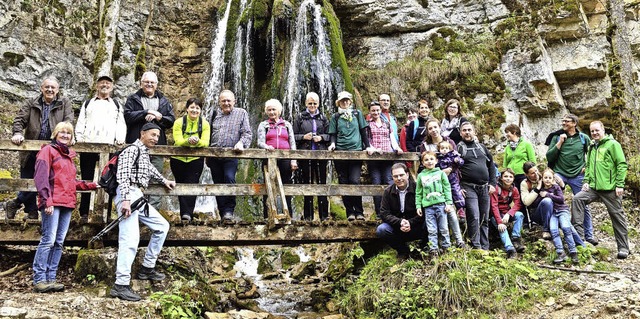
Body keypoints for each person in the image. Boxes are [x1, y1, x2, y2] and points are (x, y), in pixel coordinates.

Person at [110, 122, 176, 302]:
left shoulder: (143, 152)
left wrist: (164, 180)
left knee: (162, 226)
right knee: (129, 239)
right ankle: (121, 284)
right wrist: (125, 199)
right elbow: (122, 175)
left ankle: (147, 268)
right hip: (128, 194)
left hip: (138, 195)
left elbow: (150, 169)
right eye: (152, 135)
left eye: (157, 136)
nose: (155, 139)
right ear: (142, 134)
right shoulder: (131, 149)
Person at [32, 122, 98, 293]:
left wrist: (90, 185)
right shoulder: (47, 151)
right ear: (55, 134)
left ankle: (51, 278)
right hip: (52, 203)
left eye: (68, 133)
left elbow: (70, 182)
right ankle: (39, 279)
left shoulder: (69, 156)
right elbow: (41, 177)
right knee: (48, 240)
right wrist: (46, 200)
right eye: (62, 132)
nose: (65, 135)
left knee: (59, 242)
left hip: (67, 203)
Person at [6, 76, 74, 221]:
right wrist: (17, 133)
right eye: (47, 87)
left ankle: (15, 203)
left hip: (53, 150)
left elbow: (68, 120)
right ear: (41, 88)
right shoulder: (31, 102)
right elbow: (19, 119)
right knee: (28, 179)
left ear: (57, 90)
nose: (49, 90)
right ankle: (32, 212)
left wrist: (68, 135)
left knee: (43, 180)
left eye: (53, 87)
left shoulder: (64, 103)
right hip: (30, 149)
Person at [572, 121, 629, 259]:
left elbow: (621, 165)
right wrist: (586, 181)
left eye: (597, 130)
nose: (594, 133)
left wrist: (619, 184)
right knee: (577, 199)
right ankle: (578, 239)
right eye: (592, 131)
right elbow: (589, 166)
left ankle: (623, 248)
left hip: (610, 189)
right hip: (594, 188)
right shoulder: (592, 146)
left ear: (603, 130)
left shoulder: (613, 144)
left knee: (617, 216)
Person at [75, 74, 127, 223]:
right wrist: (80, 140)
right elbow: (80, 122)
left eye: (108, 83)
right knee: (87, 177)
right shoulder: (88, 103)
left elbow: (121, 123)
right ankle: (84, 213)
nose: (105, 85)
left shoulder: (116, 104)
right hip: (89, 145)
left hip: (109, 146)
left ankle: (107, 213)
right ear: (97, 85)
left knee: (109, 179)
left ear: (112, 86)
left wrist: (120, 139)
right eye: (102, 83)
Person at [123, 71, 175, 209]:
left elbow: (171, 121)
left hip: (157, 147)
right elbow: (127, 116)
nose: (149, 84)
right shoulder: (133, 99)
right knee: (133, 176)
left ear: (157, 85)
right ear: (141, 83)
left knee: (156, 177)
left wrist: (159, 117)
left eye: (152, 82)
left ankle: (153, 211)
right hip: (136, 146)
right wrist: (145, 112)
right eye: (147, 82)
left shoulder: (163, 101)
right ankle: (135, 208)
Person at [545, 113, 596, 245]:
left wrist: (587, 167)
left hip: (578, 175)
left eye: (567, 121)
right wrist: (560, 142)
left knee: (582, 204)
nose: (564, 123)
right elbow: (549, 157)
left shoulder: (583, 138)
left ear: (574, 123)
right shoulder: (556, 137)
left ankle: (589, 235)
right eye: (563, 121)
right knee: (550, 199)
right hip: (559, 173)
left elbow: (591, 154)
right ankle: (550, 229)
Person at [328, 91, 374, 221]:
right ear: (338, 102)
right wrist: (332, 144)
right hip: (340, 152)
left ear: (350, 101)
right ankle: (349, 212)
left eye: (347, 100)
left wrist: (368, 146)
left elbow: (363, 131)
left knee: (354, 181)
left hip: (355, 152)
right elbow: (333, 134)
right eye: (343, 100)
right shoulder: (335, 116)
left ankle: (359, 211)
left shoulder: (357, 114)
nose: (345, 102)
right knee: (343, 182)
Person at [207, 90, 252, 221]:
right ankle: (222, 213)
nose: (226, 103)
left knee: (229, 177)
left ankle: (229, 210)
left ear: (234, 101)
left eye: (229, 101)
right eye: (223, 101)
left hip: (231, 155)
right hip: (214, 156)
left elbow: (247, 133)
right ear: (219, 102)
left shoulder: (241, 113)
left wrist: (241, 143)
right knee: (217, 183)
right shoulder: (213, 113)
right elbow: (207, 133)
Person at [521, 162, 585, 245]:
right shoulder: (525, 183)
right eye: (532, 173)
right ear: (526, 174)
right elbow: (527, 202)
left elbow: (558, 193)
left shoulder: (545, 177)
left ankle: (580, 245)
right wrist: (538, 188)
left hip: (555, 210)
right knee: (547, 201)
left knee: (567, 226)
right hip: (537, 213)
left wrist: (562, 185)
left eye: (536, 171)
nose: (536, 174)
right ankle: (546, 230)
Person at [457, 121, 496, 250]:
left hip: (484, 187)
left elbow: (491, 165)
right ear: (460, 133)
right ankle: (476, 246)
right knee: (474, 215)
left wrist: (492, 183)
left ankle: (485, 247)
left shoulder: (482, 147)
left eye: (469, 130)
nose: (467, 132)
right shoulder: (459, 148)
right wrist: (458, 188)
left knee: (484, 217)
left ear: (474, 132)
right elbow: (454, 169)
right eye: (464, 130)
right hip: (468, 187)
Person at [169, 98, 210, 222]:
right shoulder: (178, 122)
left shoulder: (205, 124)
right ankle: (184, 213)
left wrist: (196, 142)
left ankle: (187, 214)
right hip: (178, 159)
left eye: (197, 108)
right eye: (192, 107)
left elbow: (206, 142)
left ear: (200, 110)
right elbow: (178, 140)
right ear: (187, 109)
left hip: (195, 159)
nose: (194, 110)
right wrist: (188, 141)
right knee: (180, 184)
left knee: (192, 184)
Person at [257, 99, 298, 218]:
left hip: (285, 158)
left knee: (286, 185)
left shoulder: (286, 125)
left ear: (279, 111)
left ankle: (288, 214)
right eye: (269, 110)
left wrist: (293, 160)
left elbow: (292, 143)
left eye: (273, 109)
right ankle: (268, 215)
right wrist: (267, 146)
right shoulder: (263, 125)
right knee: (268, 184)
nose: (271, 112)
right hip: (269, 158)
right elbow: (260, 142)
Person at [377, 163, 426, 260]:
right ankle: (403, 251)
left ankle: (422, 249)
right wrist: (400, 222)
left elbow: (425, 210)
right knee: (382, 230)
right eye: (395, 176)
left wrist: (410, 222)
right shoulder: (388, 192)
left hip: (416, 226)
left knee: (430, 222)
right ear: (392, 177)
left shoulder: (418, 188)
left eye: (401, 175)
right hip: (398, 227)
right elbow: (384, 213)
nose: (399, 178)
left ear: (407, 174)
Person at [293, 92, 330, 221]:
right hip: (305, 155)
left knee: (322, 184)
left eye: (314, 103)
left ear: (318, 104)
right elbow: (293, 136)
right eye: (310, 103)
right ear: (306, 104)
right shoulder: (300, 118)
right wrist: (304, 137)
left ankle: (324, 216)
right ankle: (308, 217)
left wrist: (321, 138)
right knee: (307, 184)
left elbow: (329, 135)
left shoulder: (323, 118)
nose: (312, 105)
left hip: (320, 155)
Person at [366, 101, 402, 216]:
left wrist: (397, 148)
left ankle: (392, 211)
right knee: (376, 183)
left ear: (380, 110)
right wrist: (374, 149)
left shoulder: (386, 123)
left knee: (389, 182)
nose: (375, 112)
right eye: (373, 110)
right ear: (370, 112)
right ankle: (379, 213)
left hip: (387, 157)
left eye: (377, 110)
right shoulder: (367, 124)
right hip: (374, 158)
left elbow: (392, 138)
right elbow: (366, 141)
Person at [416, 151, 453, 256]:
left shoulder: (441, 173)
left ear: (436, 161)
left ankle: (446, 247)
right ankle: (433, 249)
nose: (429, 162)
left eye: (431, 159)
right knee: (431, 229)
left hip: (441, 205)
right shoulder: (420, 176)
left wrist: (449, 203)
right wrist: (418, 206)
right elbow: (418, 192)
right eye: (426, 160)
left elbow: (447, 188)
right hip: (428, 207)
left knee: (444, 228)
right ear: (423, 163)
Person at [540, 168, 579, 264]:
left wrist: (548, 195)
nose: (547, 180)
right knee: (553, 230)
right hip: (553, 213)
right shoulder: (541, 190)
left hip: (562, 211)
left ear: (553, 179)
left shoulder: (556, 187)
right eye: (545, 177)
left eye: (550, 177)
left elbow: (561, 199)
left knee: (566, 227)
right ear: (542, 179)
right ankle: (560, 253)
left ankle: (573, 252)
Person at [435, 140, 465, 247]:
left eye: (446, 148)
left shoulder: (453, 156)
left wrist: (456, 162)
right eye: (442, 148)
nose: (444, 150)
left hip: (452, 180)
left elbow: (460, 162)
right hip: (440, 185)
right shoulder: (437, 158)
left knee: (456, 195)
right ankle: (445, 243)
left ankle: (461, 210)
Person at [489, 168, 525, 258]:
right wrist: (499, 222)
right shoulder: (496, 188)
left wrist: (509, 214)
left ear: (513, 179)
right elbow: (494, 206)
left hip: (506, 213)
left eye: (510, 177)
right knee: (502, 228)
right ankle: (510, 249)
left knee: (519, 215)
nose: (508, 179)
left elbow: (517, 203)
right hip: (495, 215)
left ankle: (515, 238)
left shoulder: (514, 189)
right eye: (505, 176)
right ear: (501, 178)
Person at [502, 124, 536, 191]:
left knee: (523, 195)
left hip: (523, 174)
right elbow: (505, 164)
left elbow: (532, 161)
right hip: (511, 176)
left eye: (507, 132)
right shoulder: (507, 147)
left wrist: (531, 174)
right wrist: (505, 174)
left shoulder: (526, 144)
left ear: (514, 132)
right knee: (515, 195)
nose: (506, 135)